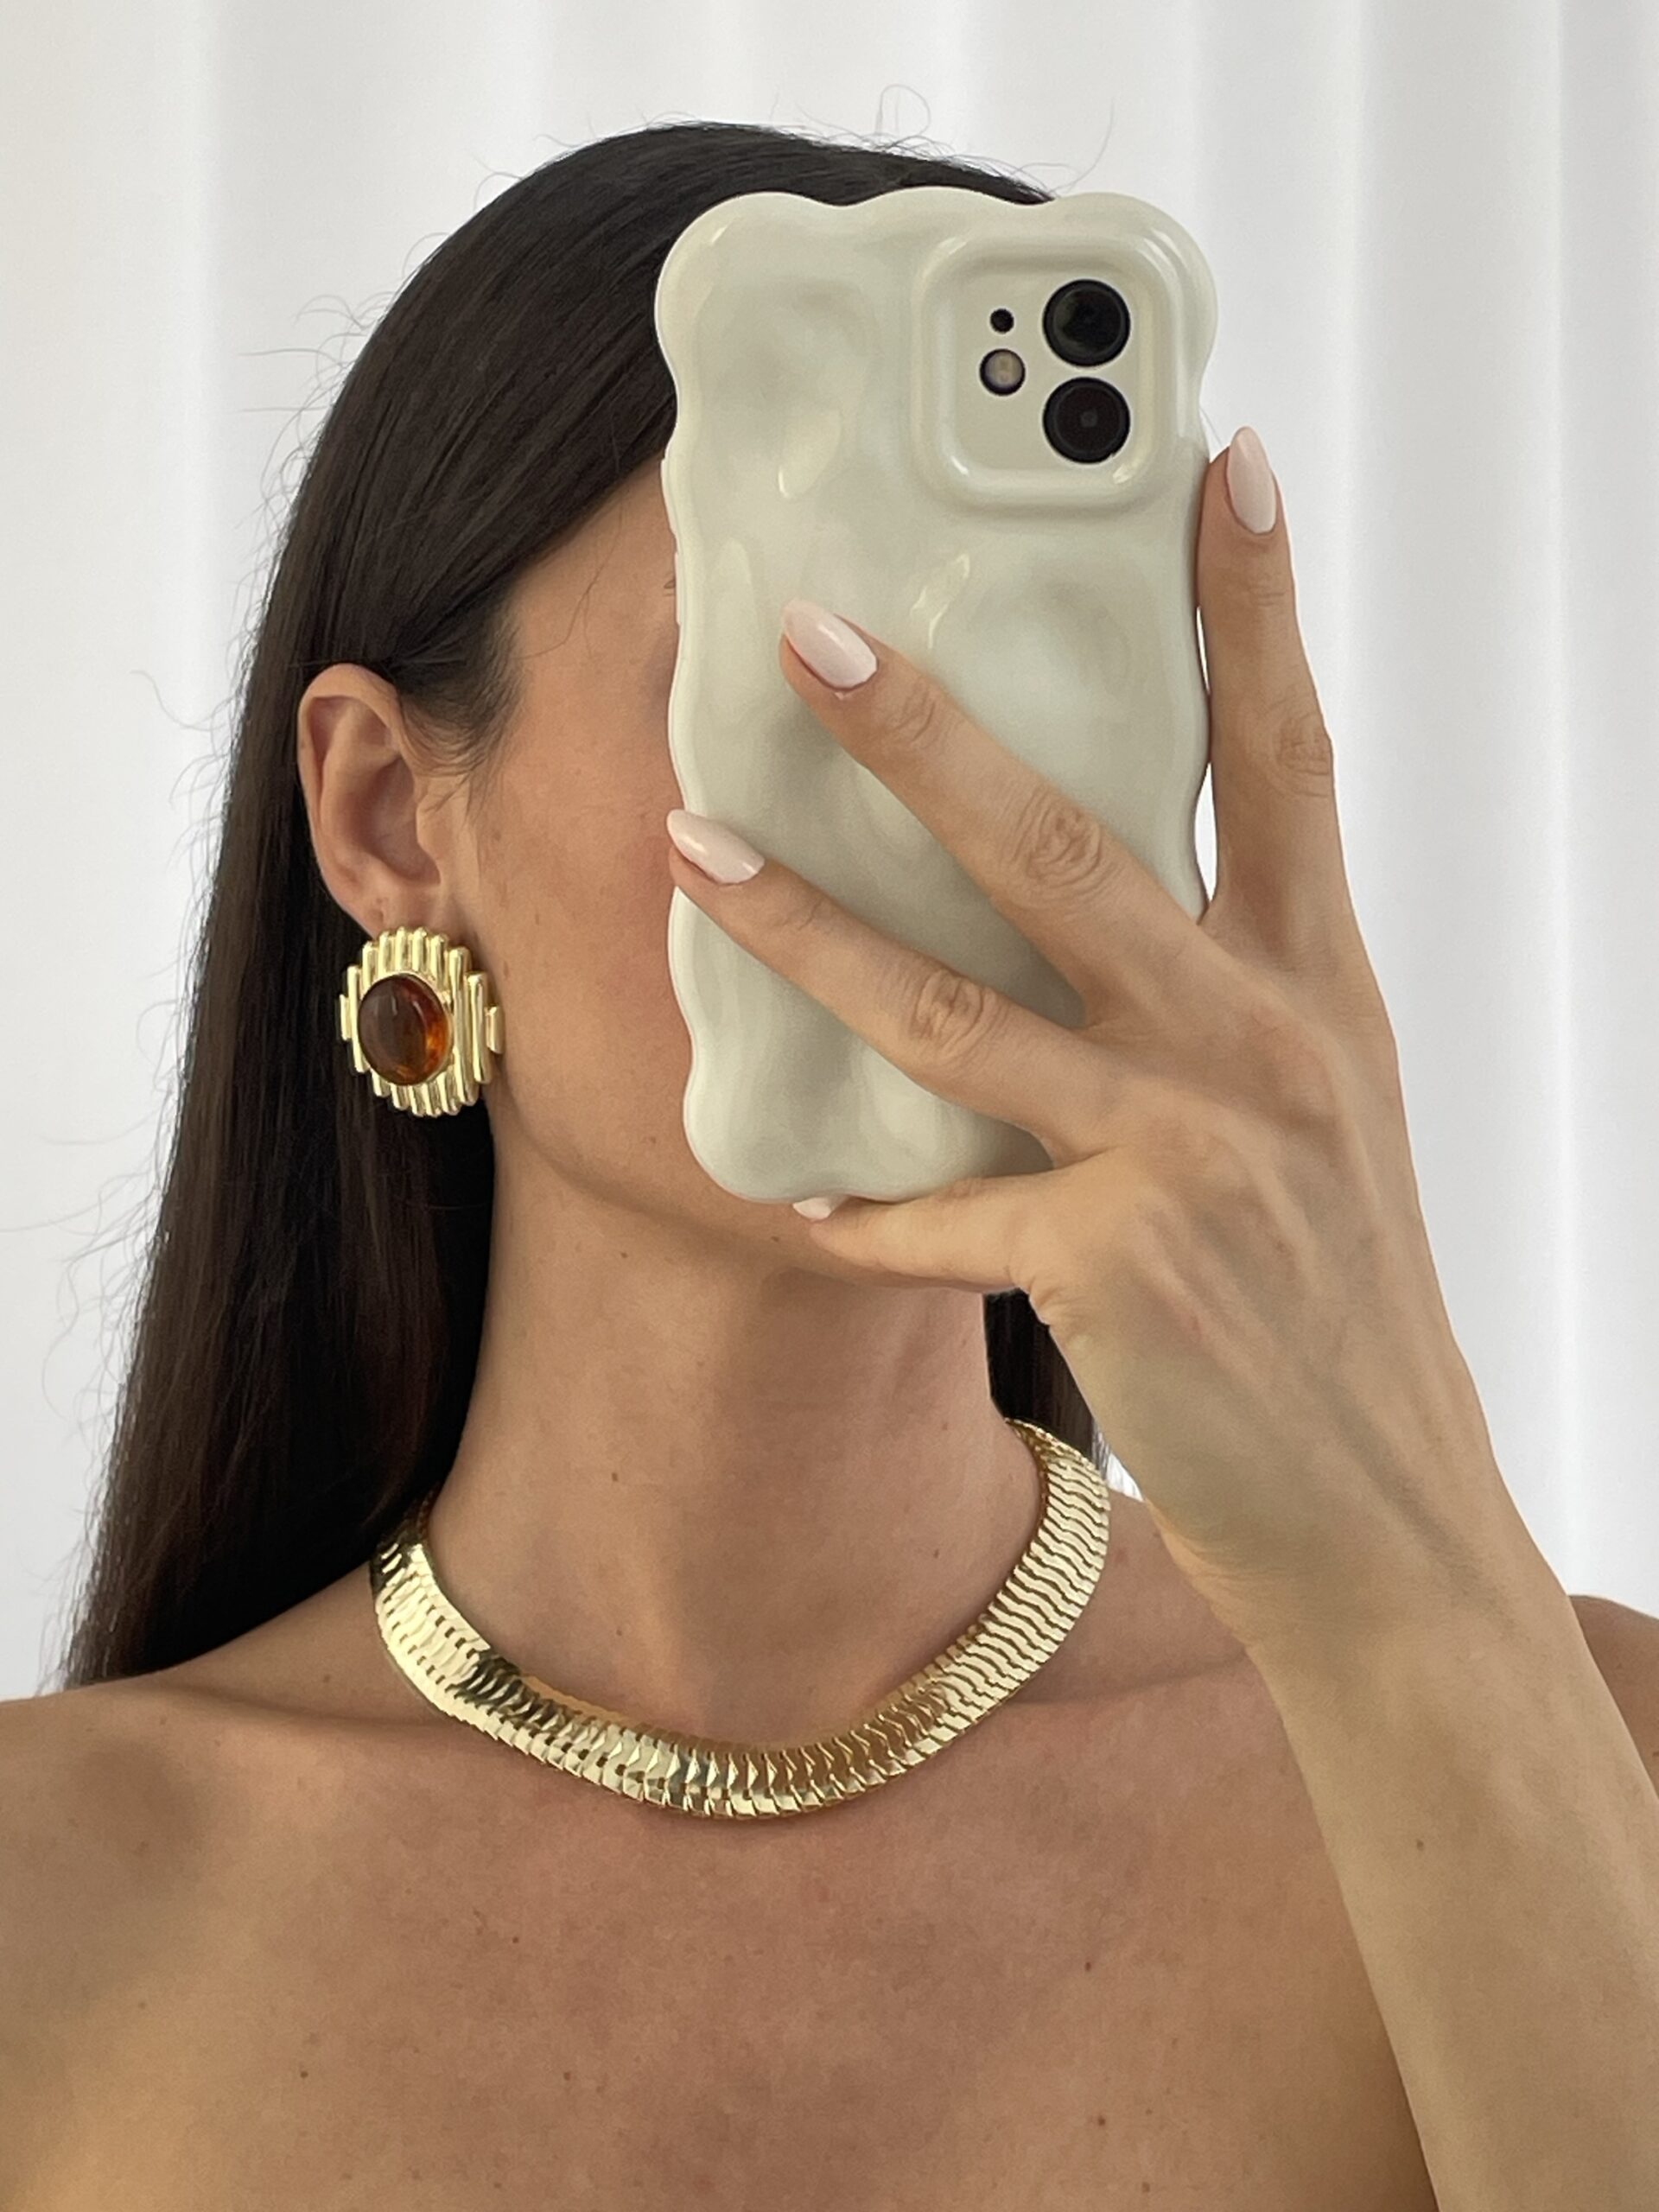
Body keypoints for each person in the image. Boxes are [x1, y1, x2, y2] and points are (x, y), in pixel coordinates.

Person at [3, 119, 1656, 2209]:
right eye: (796, 659)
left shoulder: (1588, 1751)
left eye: (1047, 671)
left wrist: (1395, 1537)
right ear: (392, 819)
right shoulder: (51, 1906)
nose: (954, 808)